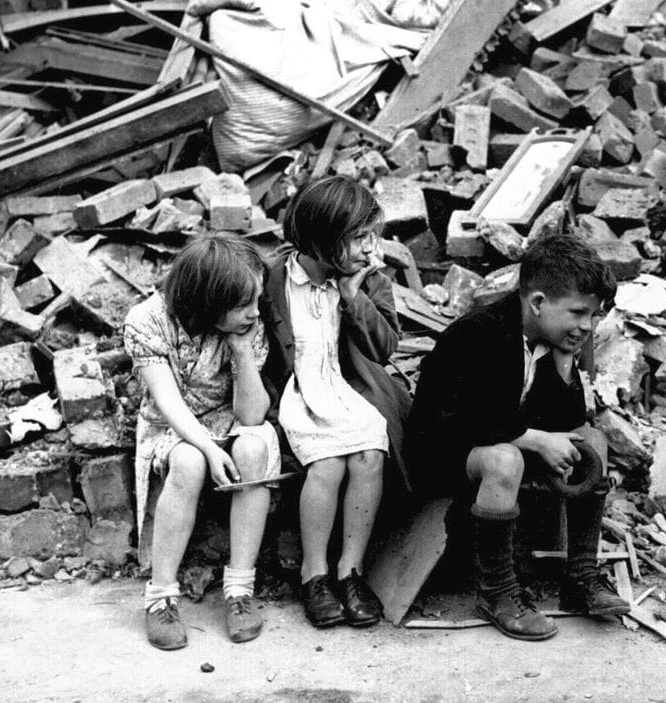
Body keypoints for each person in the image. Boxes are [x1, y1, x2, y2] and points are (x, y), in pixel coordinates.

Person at [409, 232, 630, 641]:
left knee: (592, 443)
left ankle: (580, 574)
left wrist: (565, 366)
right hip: (442, 454)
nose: (587, 326)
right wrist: (535, 440)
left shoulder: (548, 338)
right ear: (539, 302)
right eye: (579, 313)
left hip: (498, 440)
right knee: (504, 459)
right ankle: (497, 592)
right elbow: (461, 419)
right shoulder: (478, 334)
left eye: (593, 316)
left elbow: (565, 419)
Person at [262, 177, 410, 629]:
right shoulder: (272, 279)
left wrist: (354, 298)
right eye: (359, 238)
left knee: (368, 452)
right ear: (324, 236)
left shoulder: (371, 281)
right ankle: (314, 574)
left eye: (374, 236)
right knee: (326, 463)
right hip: (296, 392)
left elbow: (385, 349)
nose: (371, 250)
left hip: (346, 388)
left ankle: (351, 570)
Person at [123, 233, 280, 651]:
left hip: (228, 417)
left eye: (256, 302)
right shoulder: (147, 320)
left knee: (253, 449)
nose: (253, 312)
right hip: (172, 424)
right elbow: (167, 402)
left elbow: (251, 415)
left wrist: (243, 352)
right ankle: (160, 596)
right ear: (207, 301)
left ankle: (240, 589)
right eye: (241, 305)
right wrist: (210, 449)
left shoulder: (248, 325)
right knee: (190, 461)